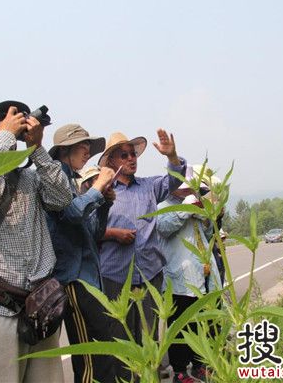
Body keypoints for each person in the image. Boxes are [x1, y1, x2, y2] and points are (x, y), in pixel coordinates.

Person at [0, 101, 72, 383]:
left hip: (40, 305)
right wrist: (6, 134)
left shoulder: (29, 178)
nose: (6, 127)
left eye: (8, 122)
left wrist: (37, 149)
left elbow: (62, 198)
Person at [98, 129, 186, 380]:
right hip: (115, 274)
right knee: (122, 339)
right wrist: (113, 233)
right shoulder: (102, 190)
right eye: (123, 155)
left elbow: (175, 180)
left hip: (149, 273)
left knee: (149, 338)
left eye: (133, 154)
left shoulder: (148, 186)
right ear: (112, 161)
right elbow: (89, 229)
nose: (131, 158)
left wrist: (173, 156)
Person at [46, 124, 117, 383]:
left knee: (101, 351)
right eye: (82, 146)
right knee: (88, 356)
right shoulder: (56, 180)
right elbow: (73, 214)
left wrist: (105, 203)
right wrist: (98, 187)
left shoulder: (74, 184)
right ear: (65, 149)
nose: (88, 152)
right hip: (74, 280)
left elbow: (95, 234)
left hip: (88, 278)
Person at [156, 165, 221, 383]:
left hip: (204, 275)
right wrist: (186, 208)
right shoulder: (162, 206)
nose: (189, 191)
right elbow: (163, 227)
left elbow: (209, 234)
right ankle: (180, 371)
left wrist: (210, 216)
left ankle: (202, 364)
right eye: (185, 188)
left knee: (203, 324)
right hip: (181, 278)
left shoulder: (196, 204)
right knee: (181, 327)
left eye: (191, 189)